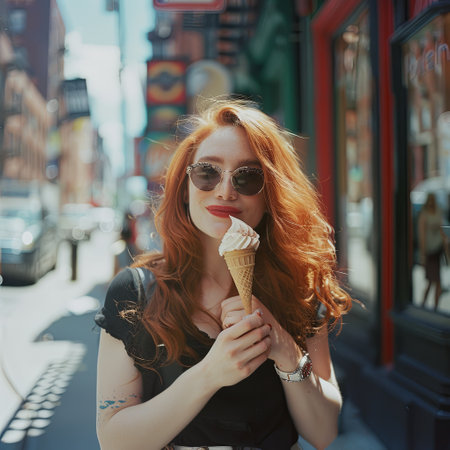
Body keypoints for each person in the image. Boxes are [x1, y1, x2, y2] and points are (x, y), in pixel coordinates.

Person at [95, 100, 353, 450]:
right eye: (207, 172)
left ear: (269, 197)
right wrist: (209, 374)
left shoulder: (299, 289)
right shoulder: (135, 293)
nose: (226, 190)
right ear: (185, 190)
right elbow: (114, 441)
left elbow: (323, 433)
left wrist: (285, 349)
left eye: (248, 176)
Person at [418, 192, 447, 311]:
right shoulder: (424, 215)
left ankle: (434, 308)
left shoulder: (438, 211)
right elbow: (422, 236)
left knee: (437, 281)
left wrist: (446, 244)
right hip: (429, 251)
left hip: (438, 249)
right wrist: (423, 255)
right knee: (431, 282)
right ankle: (424, 305)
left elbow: (442, 230)